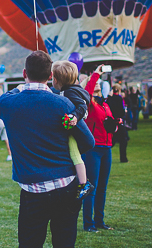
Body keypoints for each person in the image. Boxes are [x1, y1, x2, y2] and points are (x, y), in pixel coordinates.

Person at [0, 51, 94, 248]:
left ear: (24, 74)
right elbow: (88, 140)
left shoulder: (11, 102)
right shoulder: (62, 104)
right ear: (51, 76)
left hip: (34, 191)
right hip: (66, 187)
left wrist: (20, 90)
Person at [49, 61, 93, 199]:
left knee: (75, 155)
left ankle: (83, 183)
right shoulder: (76, 89)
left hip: (73, 130)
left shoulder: (68, 92)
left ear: (56, 79)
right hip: (75, 126)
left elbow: (82, 106)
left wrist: (75, 116)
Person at [80, 69, 116, 232]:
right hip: (93, 149)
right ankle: (88, 224)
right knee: (91, 187)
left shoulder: (105, 104)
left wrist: (115, 124)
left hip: (106, 148)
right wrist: (95, 75)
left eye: (99, 89)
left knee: (102, 187)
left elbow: (107, 122)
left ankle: (100, 221)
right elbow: (87, 92)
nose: (98, 92)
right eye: (95, 90)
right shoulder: (89, 104)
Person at [107, 84, 130, 162]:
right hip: (118, 121)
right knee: (123, 140)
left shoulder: (109, 98)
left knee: (112, 140)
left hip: (111, 121)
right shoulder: (119, 98)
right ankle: (123, 157)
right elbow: (121, 111)